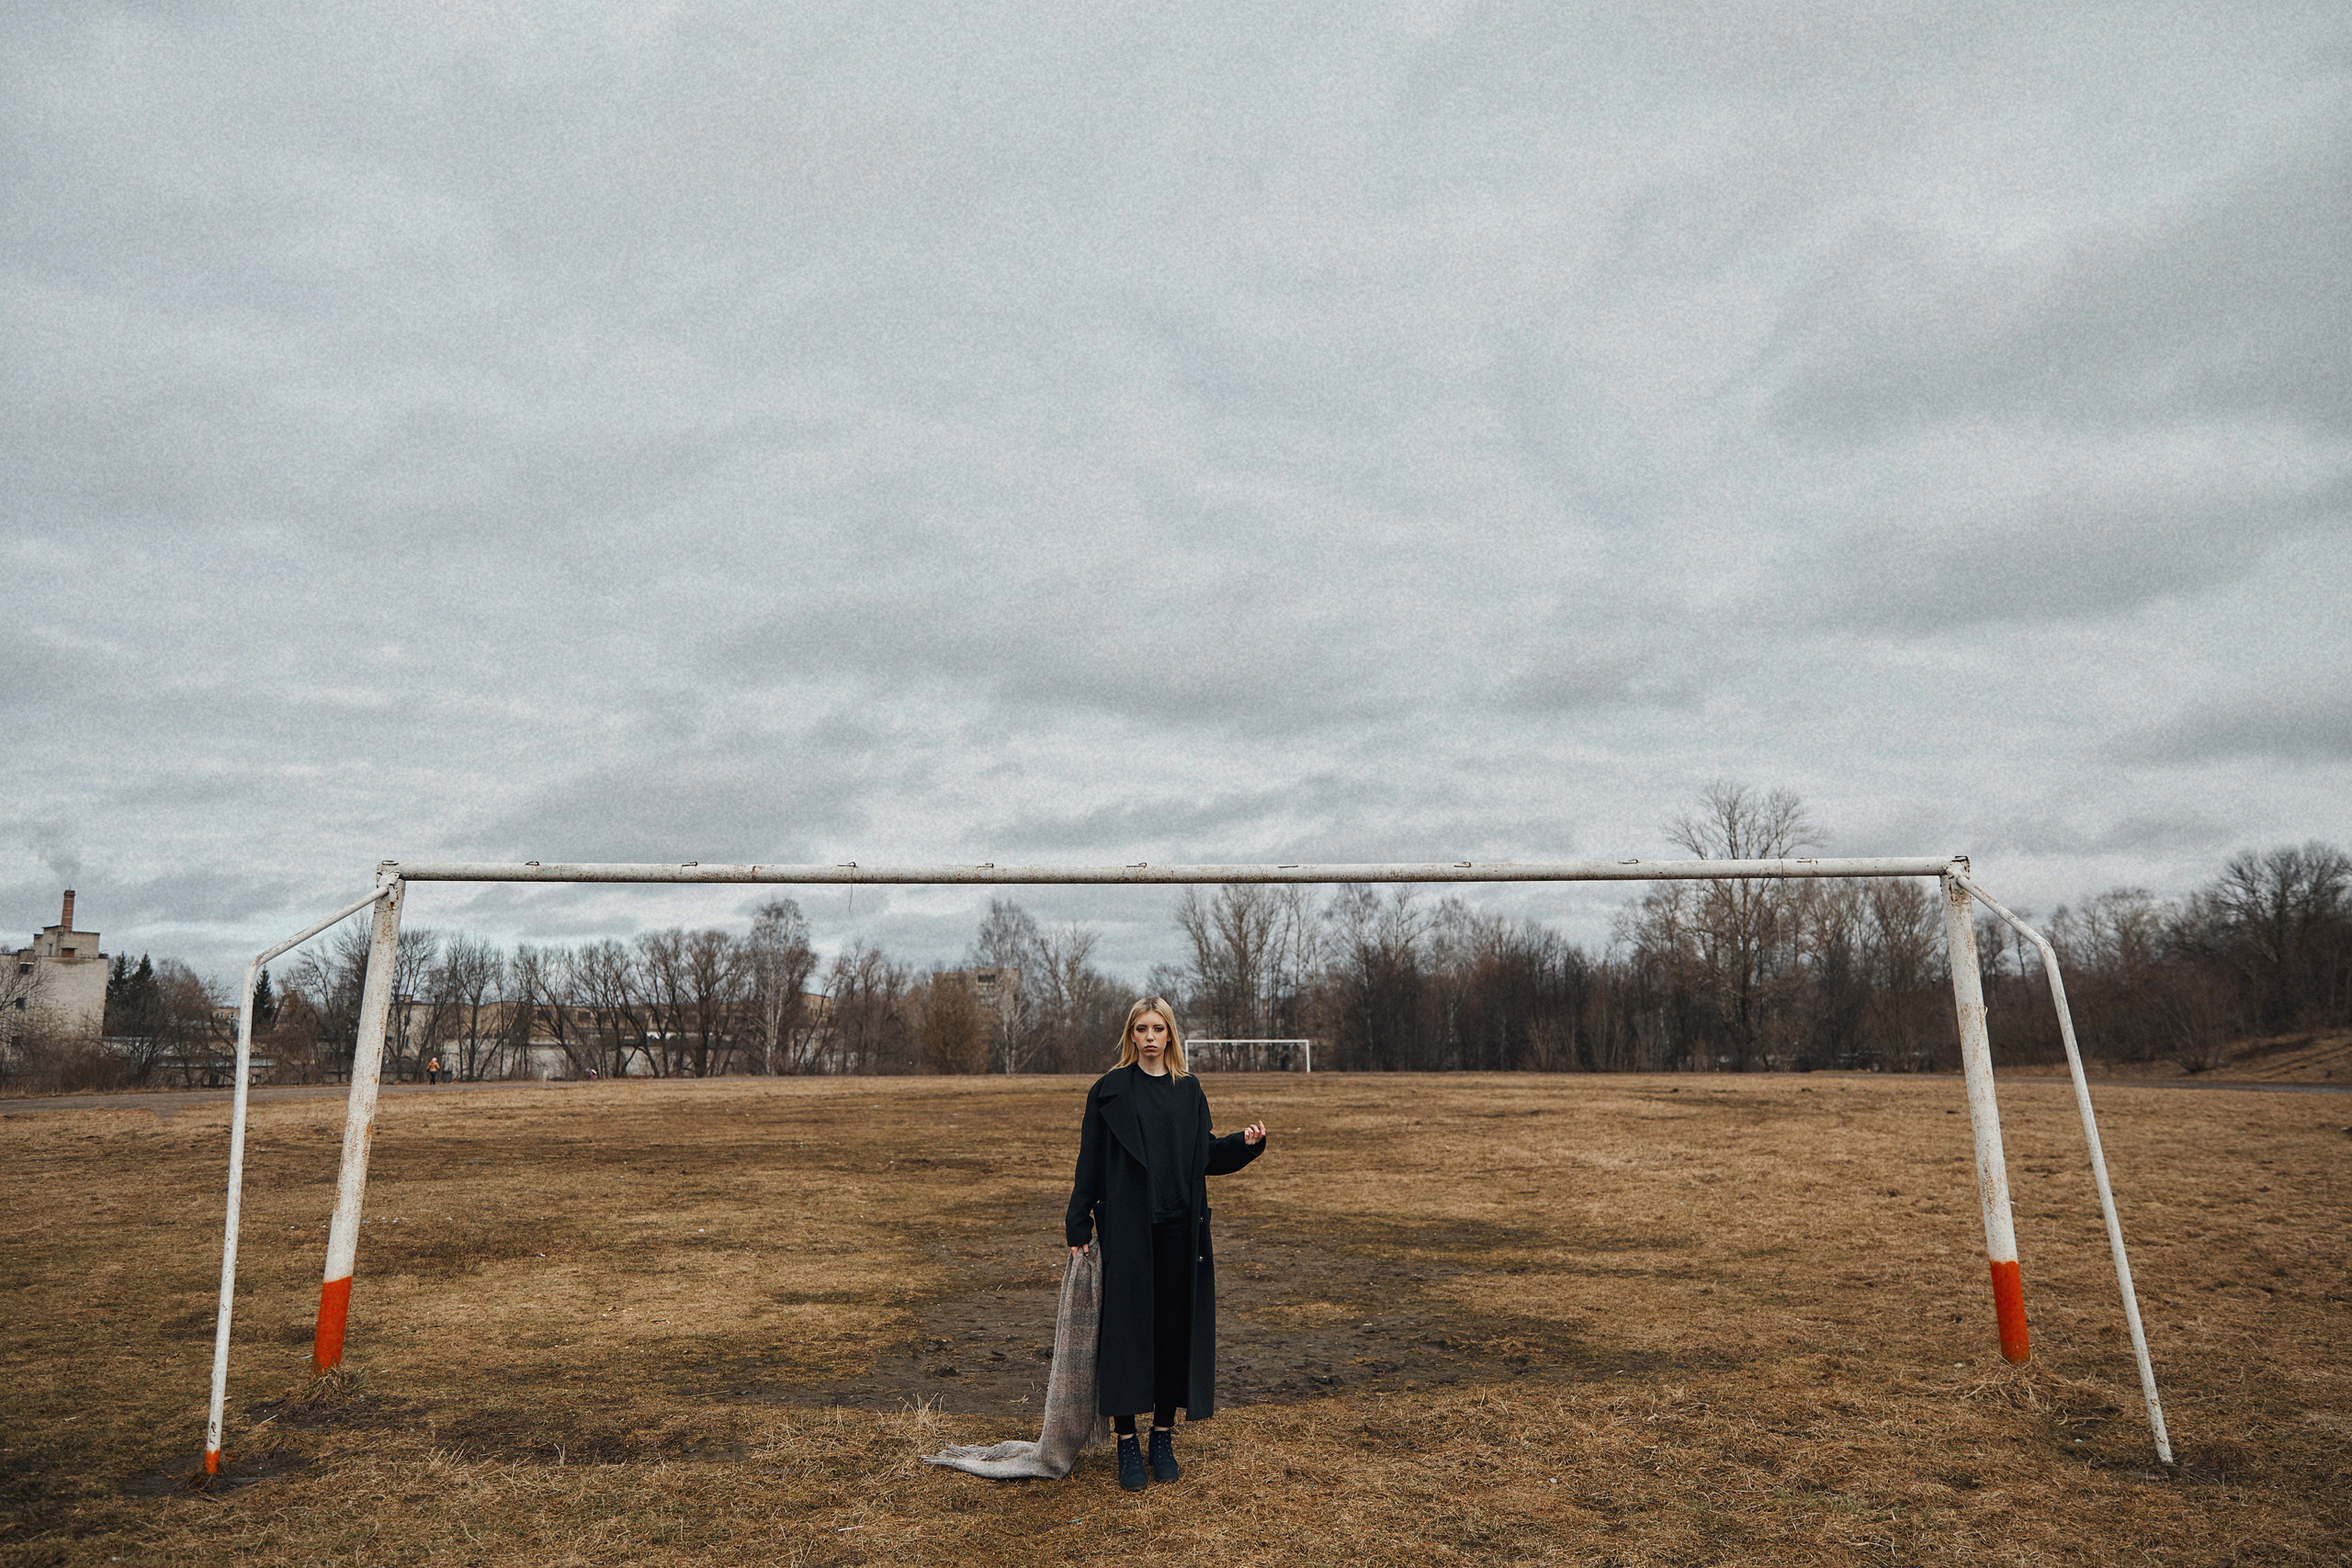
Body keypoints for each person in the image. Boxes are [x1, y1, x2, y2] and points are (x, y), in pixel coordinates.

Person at [1066, 998, 1268, 1493]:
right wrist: (1078, 1223)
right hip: (1128, 1229)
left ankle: (1162, 1436)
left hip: (1181, 1228)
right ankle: (1126, 1441)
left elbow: (1205, 1155)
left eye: (1158, 1028)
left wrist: (1244, 1145)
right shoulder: (1109, 1090)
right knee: (1126, 1334)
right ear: (1131, 1036)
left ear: (1171, 1034)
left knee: (1172, 1334)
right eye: (1142, 1029)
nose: (1150, 1037)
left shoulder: (1188, 1090)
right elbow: (1089, 1160)